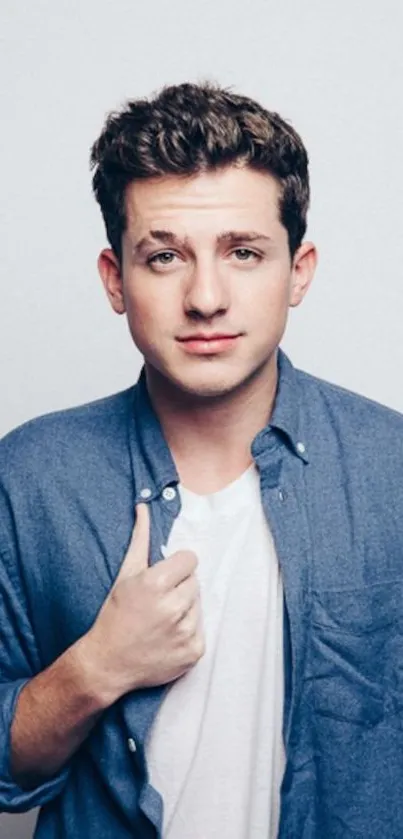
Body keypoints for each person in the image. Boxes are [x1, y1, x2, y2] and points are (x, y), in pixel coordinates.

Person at [1, 80, 403, 839]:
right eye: (163, 257)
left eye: (243, 252)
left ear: (299, 271)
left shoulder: (393, 468)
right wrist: (96, 667)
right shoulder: (31, 478)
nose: (206, 296)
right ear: (116, 279)